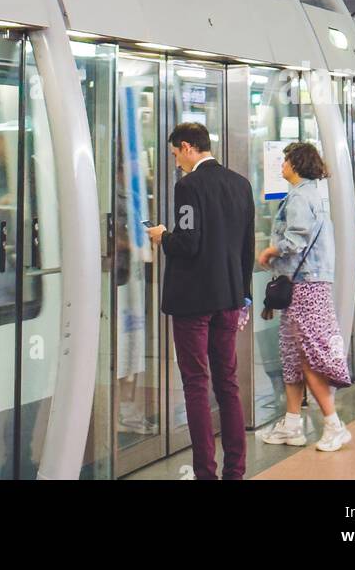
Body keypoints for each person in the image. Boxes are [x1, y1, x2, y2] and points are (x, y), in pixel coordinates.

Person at [146, 122, 254, 481]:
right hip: (229, 297)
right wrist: (243, 294)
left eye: (176, 153)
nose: (177, 162)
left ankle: (205, 472)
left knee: (195, 384)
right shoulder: (241, 184)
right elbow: (246, 250)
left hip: (194, 302)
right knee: (228, 384)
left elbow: (188, 243)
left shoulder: (188, 186)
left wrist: (163, 236)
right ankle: (235, 471)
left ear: (189, 147)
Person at [258, 141, 352, 452]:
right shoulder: (313, 194)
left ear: (295, 165)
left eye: (284, 162)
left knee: (309, 356)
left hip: (305, 286)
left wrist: (271, 250)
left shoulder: (300, 196)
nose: (281, 167)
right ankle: (293, 423)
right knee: (293, 355)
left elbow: (296, 239)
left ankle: (334, 424)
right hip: (307, 284)